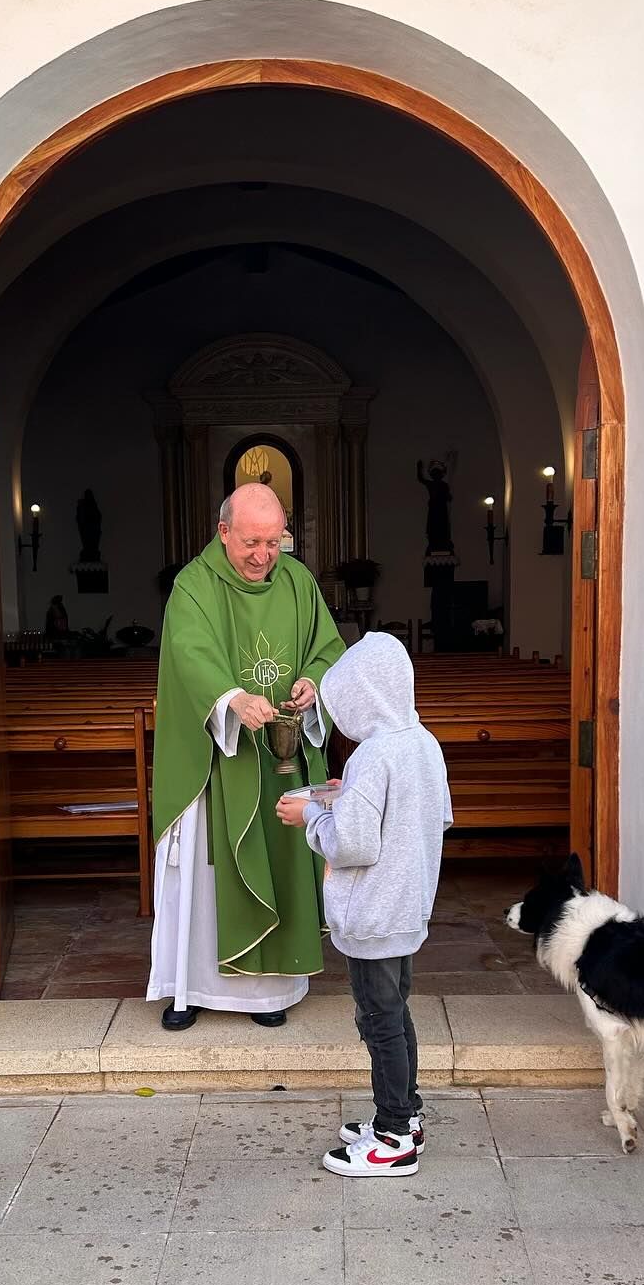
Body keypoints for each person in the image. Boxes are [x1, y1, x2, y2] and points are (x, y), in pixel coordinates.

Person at [147, 483, 345, 1030]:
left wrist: (313, 682)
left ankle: (266, 995)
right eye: (250, 543)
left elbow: (328, 648)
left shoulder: (300, 581)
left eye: (274, 543)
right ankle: (189, 991)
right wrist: (232, 699)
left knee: (280, 858)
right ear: (224, 532)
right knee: (207, 872)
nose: (263, 556)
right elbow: (190, 657)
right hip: (219, 762)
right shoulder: (193, 586)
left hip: (281, 757)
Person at [276, 632, 452, 1178]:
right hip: (407, 905)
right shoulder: (420, 740)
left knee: (378, 1021)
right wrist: (343, 795)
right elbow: (432, 813)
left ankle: (394, 1133)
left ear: (362, 695)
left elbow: (353, 846)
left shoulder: (373, 755)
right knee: (396, 1014)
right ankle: (406, 1111)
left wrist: (312, 817)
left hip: (373, 911)